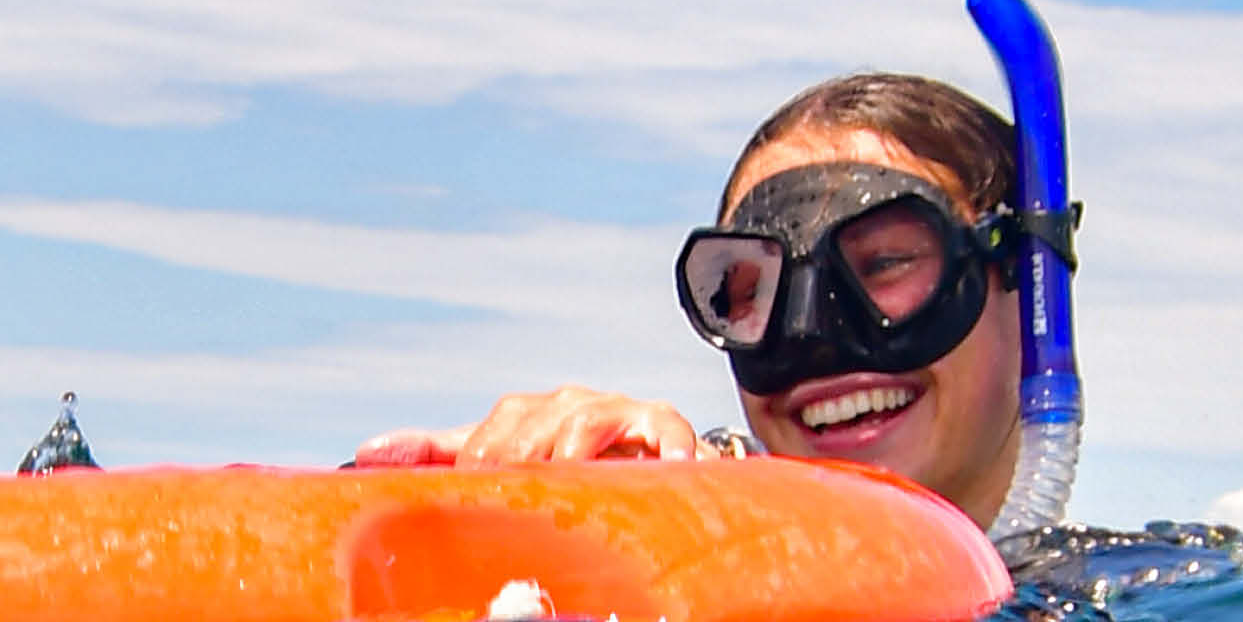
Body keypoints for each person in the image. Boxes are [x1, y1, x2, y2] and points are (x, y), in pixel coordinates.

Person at [354, 73, 1029, 530]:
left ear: (1028, 280)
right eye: (751, 287)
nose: (811, 334)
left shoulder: (1122, 605)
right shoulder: (675, 551)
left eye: (884, 264)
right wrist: (533, 503)